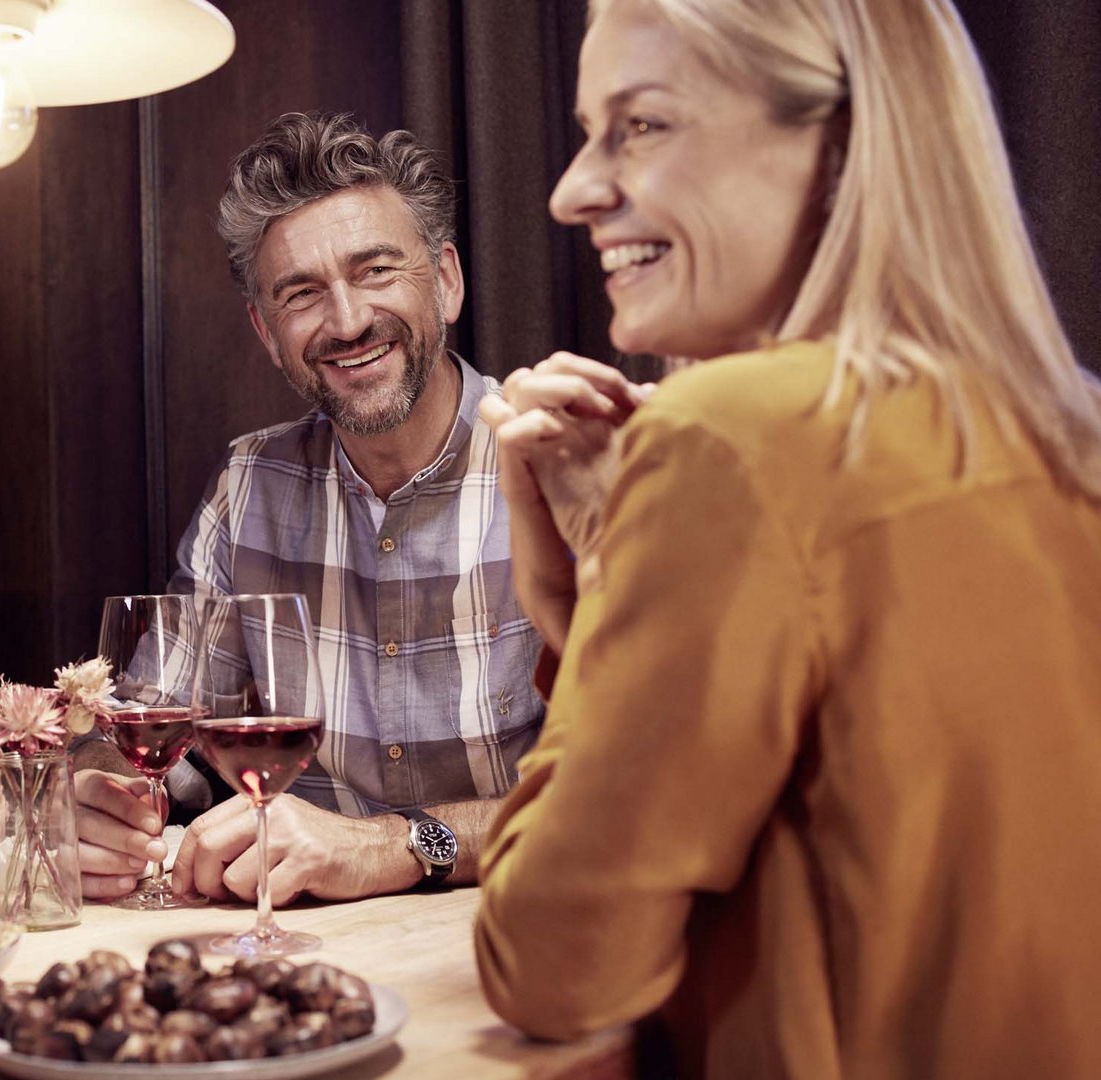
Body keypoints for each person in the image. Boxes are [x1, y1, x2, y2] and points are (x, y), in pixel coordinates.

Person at [471, 0, 1101, 1076]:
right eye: (588, 130)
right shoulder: (1064, 425)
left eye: (643, 126)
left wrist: (609, 563)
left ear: (841, 144)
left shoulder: (731, 440)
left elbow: (554, 967)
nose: (572, 191)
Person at [73, 112, 548, 907]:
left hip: (521, 943)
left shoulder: (560, 466)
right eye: (301, 294)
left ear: (448, 280)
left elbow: (634, 795)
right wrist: (103, 792)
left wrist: (395, 846)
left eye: (375, 271)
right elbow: (146, 728)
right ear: (267, 332)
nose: (348, 320)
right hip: (306, 958)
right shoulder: (250, 484)